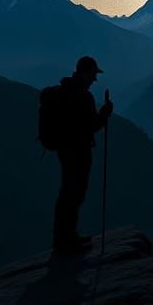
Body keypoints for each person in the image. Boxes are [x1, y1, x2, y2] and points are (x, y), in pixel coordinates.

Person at [51, 55, 113, 254]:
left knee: (68, 191)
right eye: (94, 74)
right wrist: (104, 114)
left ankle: (64, 236)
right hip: (79, 151)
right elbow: (91, 125)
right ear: (85, 73)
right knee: (75, 192)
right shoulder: (83, 97)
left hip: (64, 150)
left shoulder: (65, 92)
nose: (95, 79)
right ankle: (67, 237)